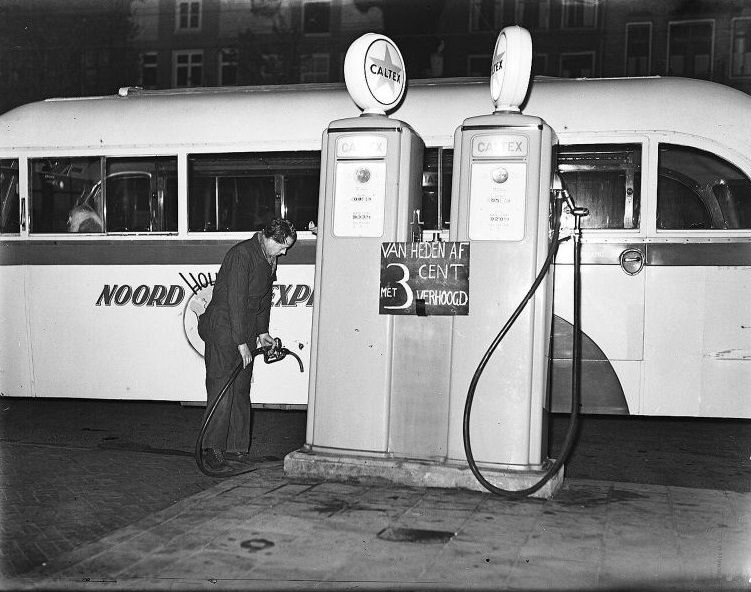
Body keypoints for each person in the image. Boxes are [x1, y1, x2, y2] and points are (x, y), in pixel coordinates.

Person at [197, 218, 296, 471]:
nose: (285, 252)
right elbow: (237, 301)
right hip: (223, 328)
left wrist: (262, 332)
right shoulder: (242, 255)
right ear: (270, 238)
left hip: (244, 328)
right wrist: (242, 342)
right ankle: (213, 449)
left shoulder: (267, 258)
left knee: (240, 389)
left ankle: (236, 447)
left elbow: (263, 301)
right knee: (222, 389)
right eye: (283, 247)